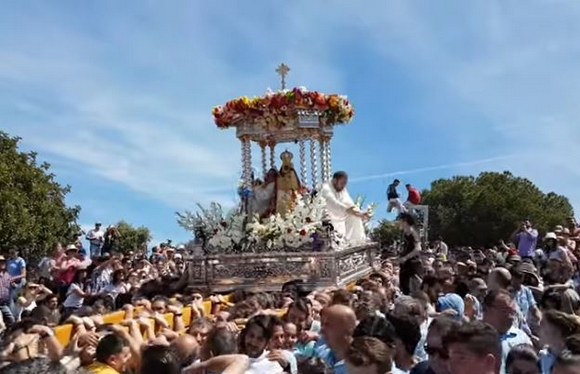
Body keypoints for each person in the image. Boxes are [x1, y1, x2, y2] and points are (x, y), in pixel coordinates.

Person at [320, 171, 368, 247]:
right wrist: (352, 211)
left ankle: (355, 244)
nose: (343, 186)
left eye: (345, 184)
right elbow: (335, 204)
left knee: (354, 217)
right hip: (324, 218)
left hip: (338, 217)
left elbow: (349, 203)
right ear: (335, 180)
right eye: (342, 183)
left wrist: (360, 213)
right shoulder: (325, 188)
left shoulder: (342, 189)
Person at [397, 213, 423, 295]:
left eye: (400, 220)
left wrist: (405, 258)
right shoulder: (405, 233)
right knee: (405, 288)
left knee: (414, 289)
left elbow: (418, 248)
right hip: (406, 265)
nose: (398, 222)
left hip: (413, 265)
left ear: (405, 221)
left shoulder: (413, 232)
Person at [276, 150, 302, 217]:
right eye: (284, 157)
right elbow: (278, 181)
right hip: (281, 191)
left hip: (289, 191)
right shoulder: (280, 171)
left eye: (287, 157)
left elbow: (295, 184)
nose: (286, 159)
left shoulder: (292, 170)